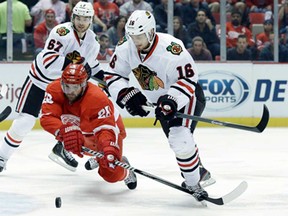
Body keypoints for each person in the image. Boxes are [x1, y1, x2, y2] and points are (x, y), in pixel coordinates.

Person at [105, 10, 213, 202]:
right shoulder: (125, 46)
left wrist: (171, 100)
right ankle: (197, 170)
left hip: (187, 97)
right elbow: (113, 75)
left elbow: (188, 79)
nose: (135, 41)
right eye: (132, 36)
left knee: (179, 137)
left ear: (151, 32)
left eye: (139, 36)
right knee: (177, 141)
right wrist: (126, 94)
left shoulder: (172, 48)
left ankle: (194, 183)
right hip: (160, 103)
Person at [0, 1, 104, 173]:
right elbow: (48, 60)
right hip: (39, 81)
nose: (81, 22)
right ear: (73, 17)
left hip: (64, 88)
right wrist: (76, 65)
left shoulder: (93, 41)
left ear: (91, 20)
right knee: (25, 121)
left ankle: (62, 147)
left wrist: (106, 80)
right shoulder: (62, 32)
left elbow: (92, 65)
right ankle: (2, 157)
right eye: (78, 17)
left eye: (85, 19)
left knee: (78, 120)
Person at [40, 63, 137, 189]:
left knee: (111, 174)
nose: (70, 92)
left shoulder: (96, 98)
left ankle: (128, 173)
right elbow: (47, 117)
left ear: (84, 84)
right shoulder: (54, 90)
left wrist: (108, 147)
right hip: (84, 131)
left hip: (110, 127)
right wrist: (62, 131)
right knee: (74, 142)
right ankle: (98, 157)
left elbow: (105, 129)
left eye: (75, 87)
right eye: (66, 86)